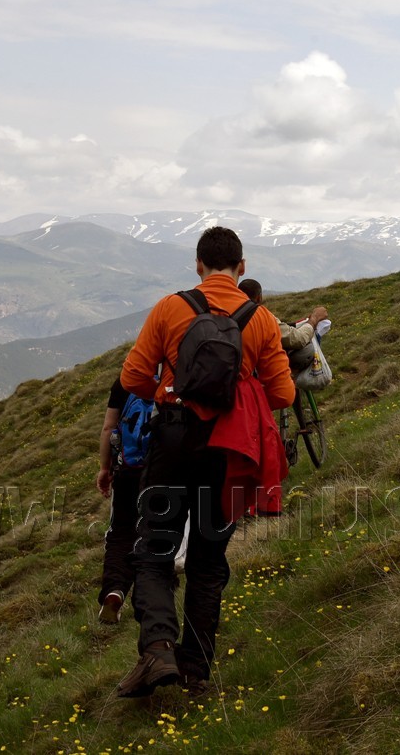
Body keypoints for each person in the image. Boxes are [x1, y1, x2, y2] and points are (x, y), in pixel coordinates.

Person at [116, 226, 295, 699]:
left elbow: (132, 376)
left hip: (173, 440)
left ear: (197, 265)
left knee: (154, 549)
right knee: (208, 560)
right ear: (242, 268)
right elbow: (283, 394)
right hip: (231, 451)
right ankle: (195, 669)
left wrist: (171, 386)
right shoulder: (260, 318)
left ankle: (157, 649)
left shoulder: (171, 307)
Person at [94, 377, 149, 624]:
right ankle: (149, 599)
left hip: (127, 469)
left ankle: (115, 590)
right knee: (159, 534)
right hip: (163, 470)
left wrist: (105, 468)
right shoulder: (178, 373)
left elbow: (109, 427)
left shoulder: (127, 378)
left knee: (121, 534)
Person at [238, 277, 328, 363]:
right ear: (259, 298)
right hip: (253, 371)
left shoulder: (230, 311)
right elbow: (298, 339)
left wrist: (299, 323)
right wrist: (314, 319)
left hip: (231, 369)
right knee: (306, 351)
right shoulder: (262, 317)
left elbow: (280, 327)